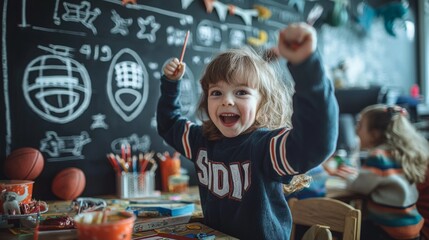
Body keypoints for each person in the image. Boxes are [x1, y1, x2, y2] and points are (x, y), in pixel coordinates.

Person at [156, 22, 339, 239]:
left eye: (241, 92)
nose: (227, 101)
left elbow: (315, 142)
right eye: (216, 93)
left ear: (263, 102)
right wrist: (171, 84)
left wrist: (306, 65)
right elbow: (169, 124)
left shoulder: (265, 147)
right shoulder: (201, 141)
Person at [333, 104, 429, 240]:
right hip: (412, 229)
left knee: (343, 228)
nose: (356, 130)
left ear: (375, 134)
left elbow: (360, 187)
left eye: (360, 125)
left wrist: (349, 178)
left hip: (388, 230)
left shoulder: (379, 156)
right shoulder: (403, 154)